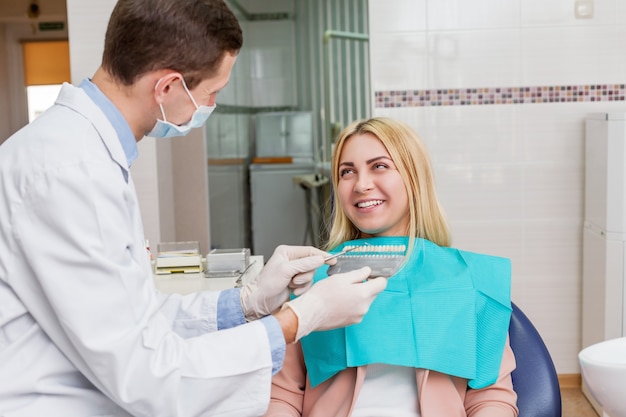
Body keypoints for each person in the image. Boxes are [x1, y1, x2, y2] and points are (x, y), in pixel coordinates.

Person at [0, 1, 388, 416]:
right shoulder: (71, 171)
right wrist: (299, 318)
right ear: (167, 87)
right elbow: (146, 374)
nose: (211, 106)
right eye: (212, 93)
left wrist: (249, 301)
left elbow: (137, 318)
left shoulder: (83, 154)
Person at [264, 117, 519, 417]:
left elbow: (491, 398)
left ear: (414, 178)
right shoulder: (308, 283)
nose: (361, 185)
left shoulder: (468, 281)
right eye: (347, 172)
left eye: (379, 166)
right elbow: (281, 397)